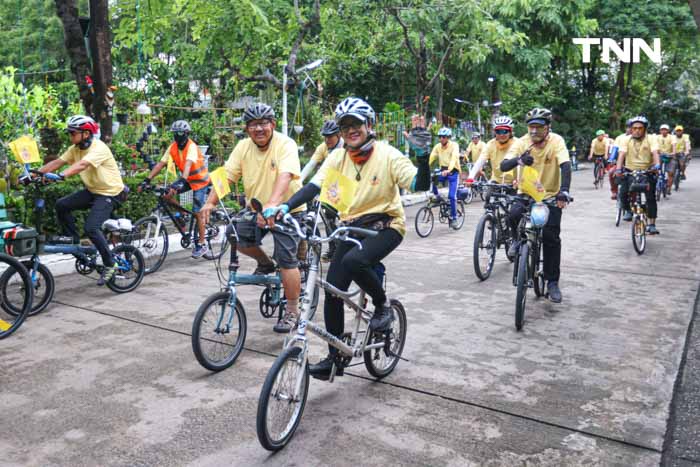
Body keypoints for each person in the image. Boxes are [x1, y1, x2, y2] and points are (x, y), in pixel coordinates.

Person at [264, 97, 426, 381]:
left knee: (354, 261)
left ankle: (383, 305)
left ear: (369, 125)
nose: (351, 130)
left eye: (356, 124)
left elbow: (418, 184)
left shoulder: (388, 154)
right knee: (333, 290)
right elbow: (314, 187)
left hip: (386, 226)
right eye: (345, 125)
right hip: (351, 226)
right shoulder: (338, 157)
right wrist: (285, 207)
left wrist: (423, 158)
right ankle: (334, 356)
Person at [201, 103, 304, 333]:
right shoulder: (243, 147)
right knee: (234, 234)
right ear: (247, 128)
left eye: (263, 123)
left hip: (288, 208)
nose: (259, 128)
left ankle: (292, 310)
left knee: (287, 258)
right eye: (253, 124)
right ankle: (265, 263)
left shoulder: (285, 144)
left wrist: (272, 205)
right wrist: (210, 202)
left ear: (273, 125)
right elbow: (226, 176)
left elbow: (285, 175)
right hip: (257, 209)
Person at [37, 115, 126, 286]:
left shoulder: (98, 148)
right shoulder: (75, 149)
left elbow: (82, 165)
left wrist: (61, 176)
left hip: (110, 193)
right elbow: (57, 162)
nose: (70, 136)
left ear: (86, 134)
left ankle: (110, 264)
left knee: (91, 228)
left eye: (72, 133)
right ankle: (73, 240)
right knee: (62, 205)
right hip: (93, 191)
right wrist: (35, 174)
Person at [500, 108, 572, 303]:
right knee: (513, 214)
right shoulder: (522, 142)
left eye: (538, 127)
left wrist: (564, 190)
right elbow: (504, 165)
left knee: (550, 237)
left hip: (550, 195)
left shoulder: (556, 141)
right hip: (526, 193)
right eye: (531, 127)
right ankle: (516, 240)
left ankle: (552, 282)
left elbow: (565, 165)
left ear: (548, 128)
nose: (534, 131)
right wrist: (519, 160)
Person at [139, 120, 212, 258]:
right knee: (166, 196)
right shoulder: (172, 147)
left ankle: (202, 244)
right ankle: (183, 215)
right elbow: (161, 164)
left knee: (198, 212)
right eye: (175, 133)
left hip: (200, 181)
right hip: (187, 180)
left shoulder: (191, 147)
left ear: (186, 133)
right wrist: (147, 179)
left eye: (180, 133)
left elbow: (188, 165)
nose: (177, 136)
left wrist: (180, 181)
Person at [299, 120, 344, 262]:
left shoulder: (346, 146)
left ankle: (343, 245)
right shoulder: (323, 147)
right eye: (325, 136)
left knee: (342, 218)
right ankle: (332, 250)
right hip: (328, 184)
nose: (327, 140)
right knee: (327, 216)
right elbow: (310, 165)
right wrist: (298, 182)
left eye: (330, 136)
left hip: (344, 184)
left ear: (338, 135)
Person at [615, 115, 661, 234]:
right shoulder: (626, 139)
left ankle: (651, 224)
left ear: (645, 129)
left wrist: (657, 166)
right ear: (631, 129)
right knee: (622, 193)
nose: (637, 130)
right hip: (630, 171)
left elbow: (655, 153)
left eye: (640, 128)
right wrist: (618, 169)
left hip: (648, 171)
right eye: (634, 128)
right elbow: (621, 155)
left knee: (650, 197)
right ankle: (628, 210)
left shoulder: (651, 139)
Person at [466, 115, 517, 187]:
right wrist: (470, 178)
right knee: (489, 196)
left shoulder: (518, 143)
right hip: (496, 180)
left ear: (510, 132)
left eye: (505, 131)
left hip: (515, 181)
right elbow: (480, 160)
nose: (501, 134)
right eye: (498, 131)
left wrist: (519, 179)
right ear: (495, 132)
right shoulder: (490, 144)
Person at [428, 127, 461, 227]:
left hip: (453, 172)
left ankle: (454, 218)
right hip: (442, 170)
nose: (441, 139)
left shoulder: (454, 145)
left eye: (443, 137)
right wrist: (425, 168)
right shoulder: (437, 146)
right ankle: (437, 196)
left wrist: (449, 170)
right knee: (433, 179)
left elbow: (454, 158)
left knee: (451, 196)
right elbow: (432, 157)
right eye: (440, 137)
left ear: (448, 138)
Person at [607, 120, 632, 200]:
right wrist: (611, 159)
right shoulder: (620, 138)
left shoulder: (639, 138)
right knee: (611, 172)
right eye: (628, 127)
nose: (630, 129)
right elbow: (615, 149)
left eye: (632, 127)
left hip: (634, 163)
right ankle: (614, 191)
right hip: (621, 162)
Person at [656, 124, 675, 195]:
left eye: (665, 130)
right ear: (660, 131)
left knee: (670, 173)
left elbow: (674, 146)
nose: (664, 131)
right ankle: (656, 184)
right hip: (660, 156)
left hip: (669, 156)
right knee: (655, 170)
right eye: (662, 129)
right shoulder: (657, 137)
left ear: (668, 130)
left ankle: (669, 188)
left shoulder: (672, 137)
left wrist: (673, 152)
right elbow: (654, 145)